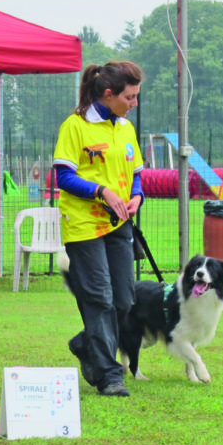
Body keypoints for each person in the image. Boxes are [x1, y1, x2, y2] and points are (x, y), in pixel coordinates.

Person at [53, 61, 145, 397]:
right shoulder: (75, 126)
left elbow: (135, 171)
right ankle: (109, 377)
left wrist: (137, 196)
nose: (134, 103)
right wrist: (101, 191)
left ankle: (85, 342)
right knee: (100, 299)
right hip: (84, 225)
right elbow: (63, 176)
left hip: (119, 224)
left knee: (124, 299)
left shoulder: (124, 127)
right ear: (109, 93)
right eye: (130, 97)